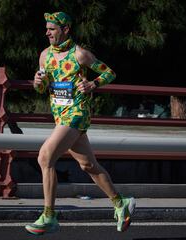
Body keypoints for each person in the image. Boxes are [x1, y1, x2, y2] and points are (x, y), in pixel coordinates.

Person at [25, 12, 136, 235]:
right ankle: (120, 202)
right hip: (59, 114)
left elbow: (109, 73)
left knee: (45, 157)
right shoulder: (45, 56)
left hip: (76, 113)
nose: (47, 32)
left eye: (52, 29)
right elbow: (42, 88)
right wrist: (38, 82)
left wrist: (93, 84)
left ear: (66, 30)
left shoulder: (80, 54)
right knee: (88, 165)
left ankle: (49, 216)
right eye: (46, 29)